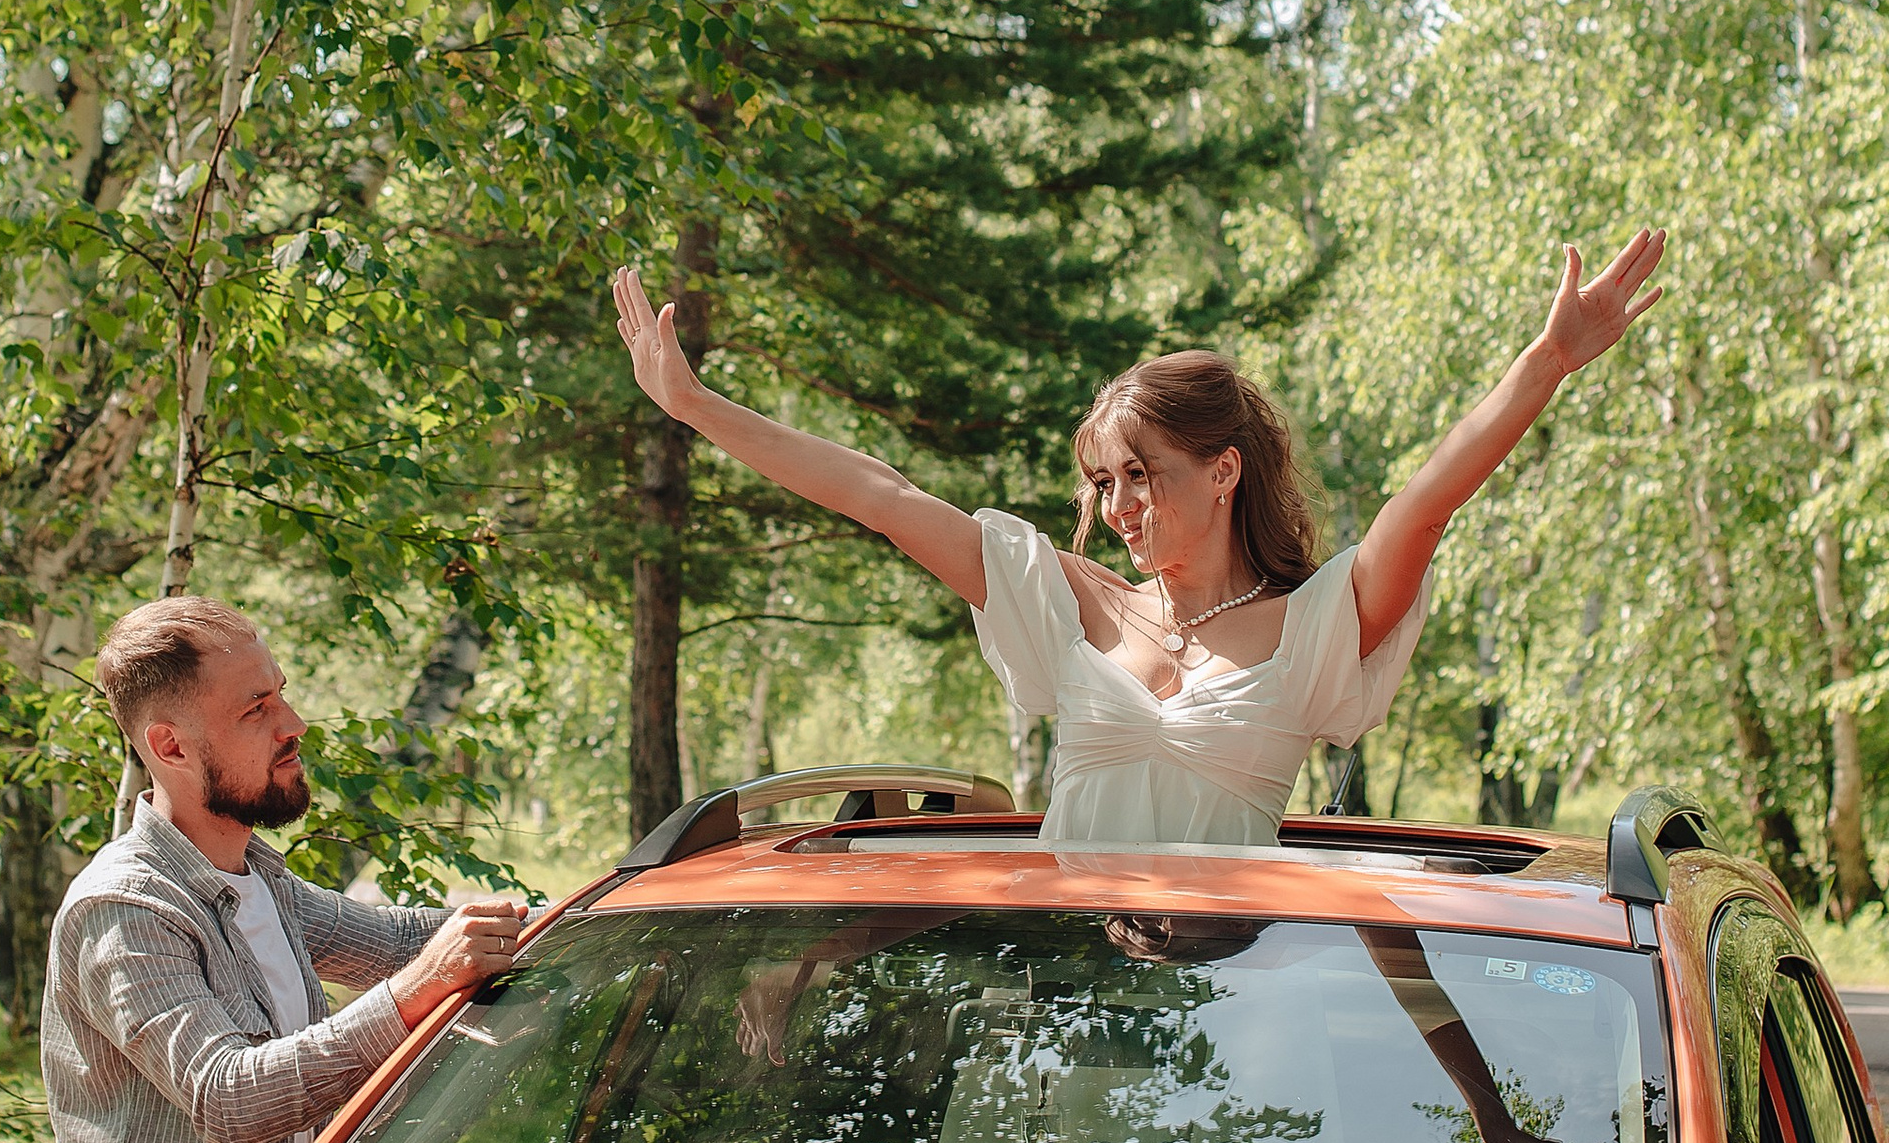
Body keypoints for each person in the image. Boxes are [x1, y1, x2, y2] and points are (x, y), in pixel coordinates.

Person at [610, 230, 1664, 851]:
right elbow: (882, 494)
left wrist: (1545, 364)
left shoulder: (1308, 630)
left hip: (1231, 1016)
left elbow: (1422, 507)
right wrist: (699, 408)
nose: (1116, 504)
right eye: (1102, 480)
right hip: (1065, 1010)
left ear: (1222, 468)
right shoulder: (1068, 601)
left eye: (1141, 473)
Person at [0, 595, 524, 1143]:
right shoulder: (125, 910)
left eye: (281, 693)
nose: (294, 723)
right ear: (168, 745)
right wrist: (418, 989)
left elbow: (397, 938)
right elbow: (229, 1097)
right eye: (256, 708)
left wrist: (603, 919)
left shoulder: (258, 878)